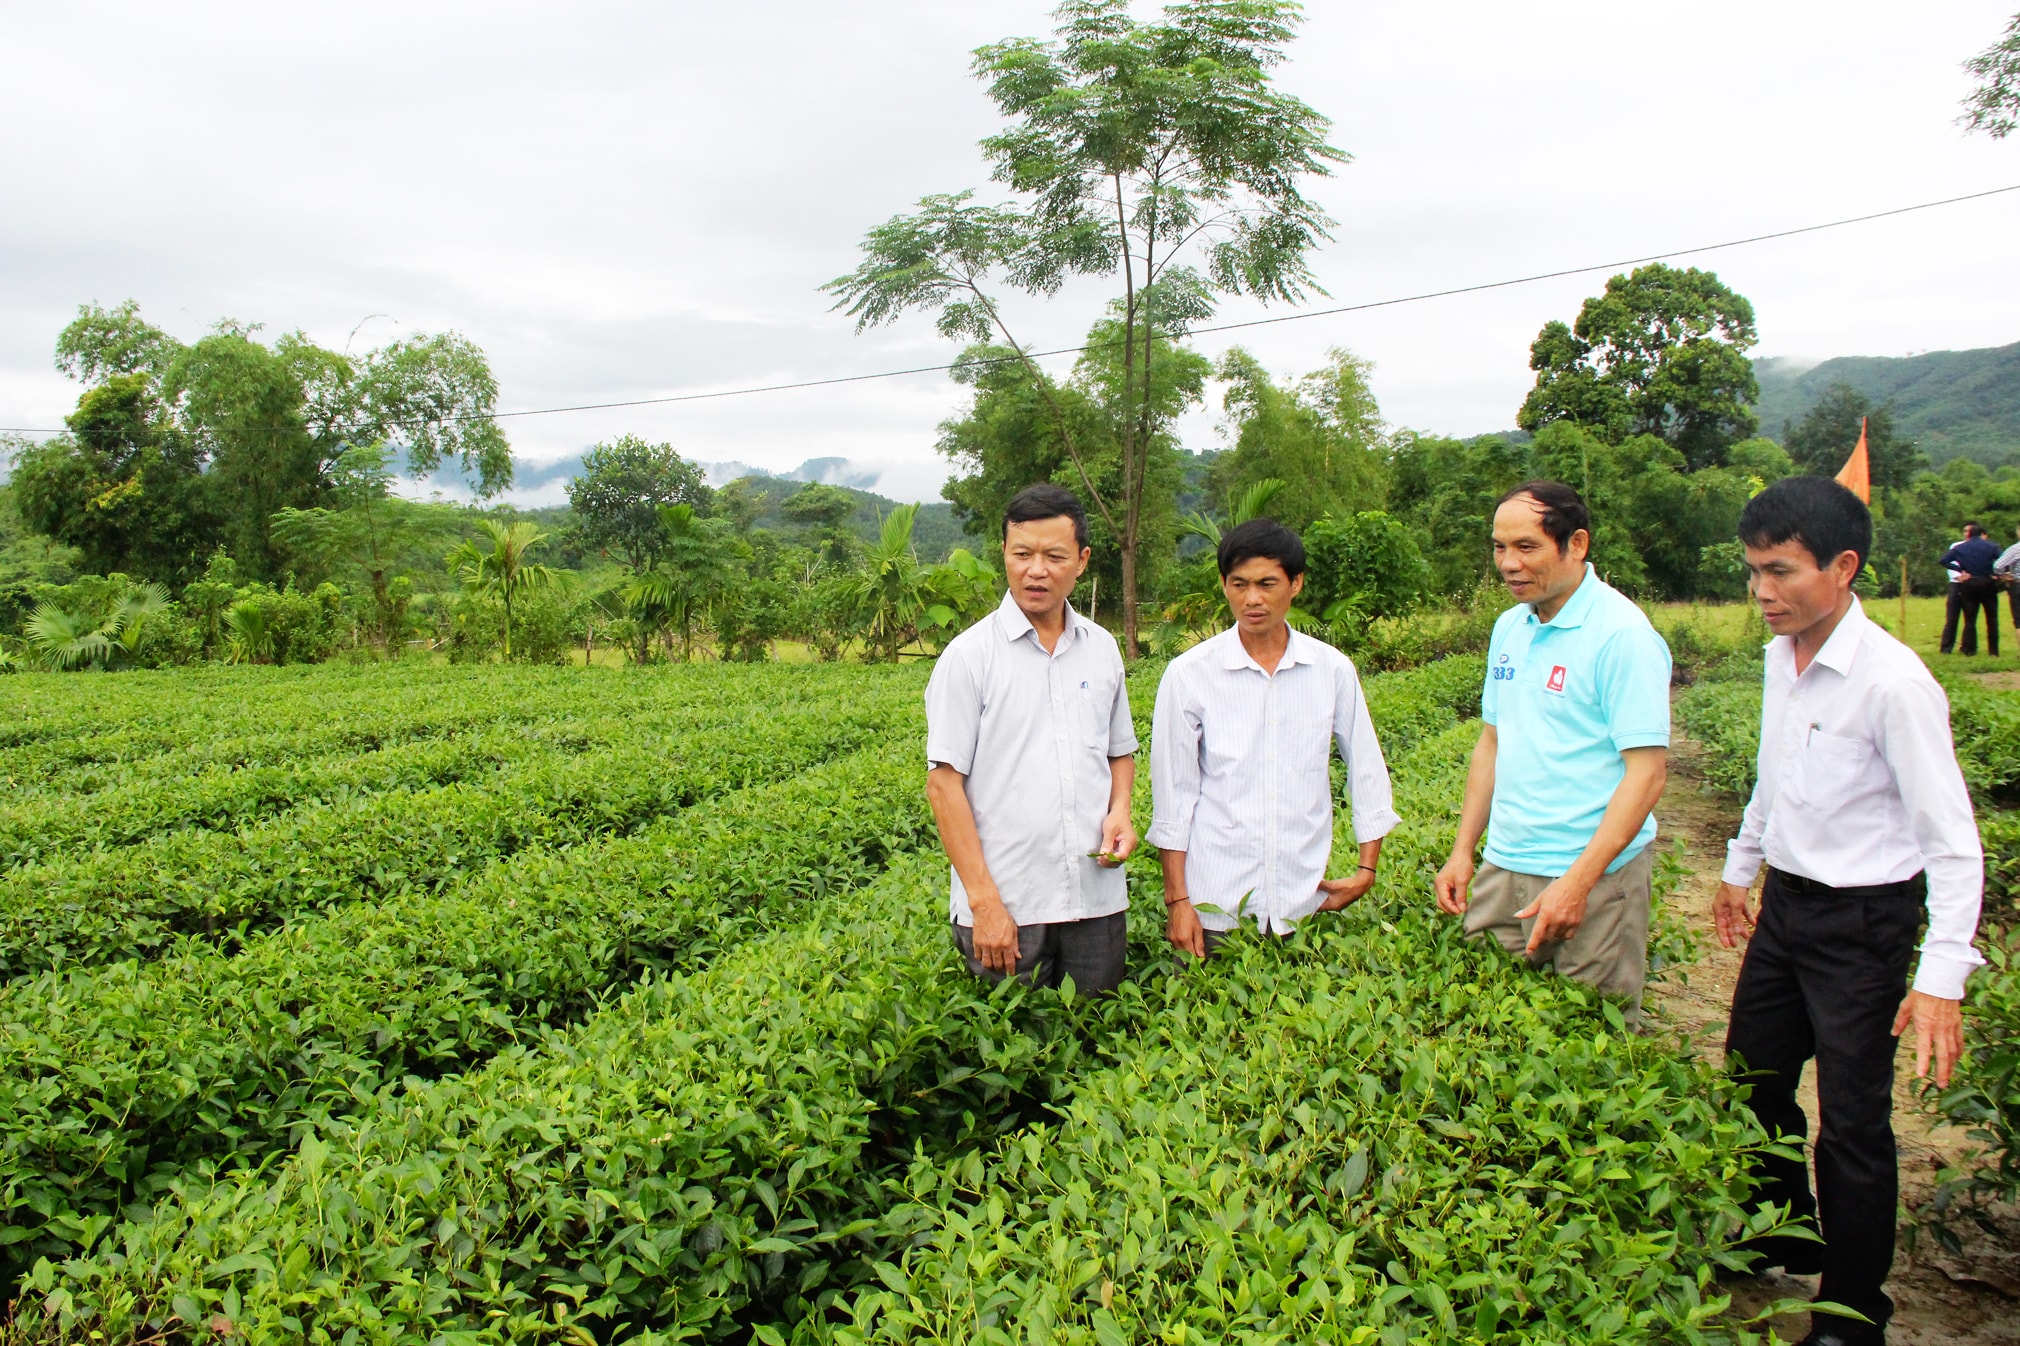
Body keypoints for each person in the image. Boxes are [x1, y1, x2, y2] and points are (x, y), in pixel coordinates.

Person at [1713, 476, 1984, 1346]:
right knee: (1754, 1078)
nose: (1762, 592)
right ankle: (1777, 1231)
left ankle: (1853, 1308)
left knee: (1854, 1123)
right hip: (1789, 905)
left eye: (1781, 572)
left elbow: (1952, 842)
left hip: (1865, 922)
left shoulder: (1894, 686)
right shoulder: (1777, 656)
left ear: (1843, 568)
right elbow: (1773, 770)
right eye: (1753, 571)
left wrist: (1941, 979)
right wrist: (1739, 867)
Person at [1432, 481, 1671, 1022]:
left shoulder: (1622, 636)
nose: (1508, 564)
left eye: (1527, 547)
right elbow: (1492, 741)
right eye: (1499, 547)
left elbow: (1647, 774)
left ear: (1577, 544)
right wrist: (1464, 849)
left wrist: (1578, 883)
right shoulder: (1509, 627)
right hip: (1506, 864)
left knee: (1590, 1036)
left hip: (1592, 876)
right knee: (1493, 1026)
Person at [1148, 517, 1398, 957]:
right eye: (1239, 584)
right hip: (1214, 906)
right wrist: (1177, 901)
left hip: (1302, 901)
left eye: (1268, 583)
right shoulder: (1189, 674)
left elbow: (1366, 765)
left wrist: (1366, 867)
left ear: (1295, 583)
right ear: (1224, 585)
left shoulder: (1331, 669)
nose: (1253, 599)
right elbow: (1174, 796)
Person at [924, 483, 1137, 994]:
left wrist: (1121, 810)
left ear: (1081, 561)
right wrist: (984, 903)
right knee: (1012, 1058)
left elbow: (1119, 751)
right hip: (1007, 909)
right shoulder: (968, 656)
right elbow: (944, 785)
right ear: (1003, 554)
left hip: (1095, 901)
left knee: (1096, 1048)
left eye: (1054, 555)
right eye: (1022, 554)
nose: (1035, 570)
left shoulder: (1102, 649)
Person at [1938, 521, 2001, 656]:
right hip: (1987, 582)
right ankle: (1993, 650)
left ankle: (1969, 649)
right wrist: (1996, 574)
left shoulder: (1960, 548)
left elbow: (1943, 560)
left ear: (1969, 534)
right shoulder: (1991, 546)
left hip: (1969, 583)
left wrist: (1960, 569)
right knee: (1992, 618)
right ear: (1981, 534)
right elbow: (2002, 559)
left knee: (1970, 618)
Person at [1994, 524, 2020, 633]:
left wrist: (2004, 575)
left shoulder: (2015, 549)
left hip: (2018, 584)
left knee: (2019, 620)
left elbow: (1997, 565)